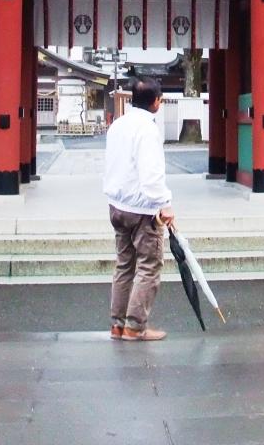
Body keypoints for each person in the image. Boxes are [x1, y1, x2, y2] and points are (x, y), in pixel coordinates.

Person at [102, 77, 175, 341]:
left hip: (117, 204)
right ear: (156, 101)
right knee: (148, 266)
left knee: (124, 265)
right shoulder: (148, 129)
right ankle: (135, 325)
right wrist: (164, 203)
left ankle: (117, 324)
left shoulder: (118, 125)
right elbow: (151, 173)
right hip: (142, 209)